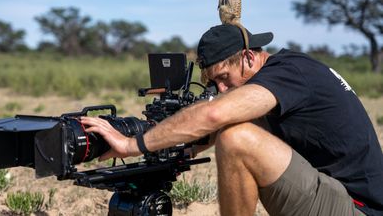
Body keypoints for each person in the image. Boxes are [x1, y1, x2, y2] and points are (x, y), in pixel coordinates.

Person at [80, 24, 383, 216]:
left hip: (356, 208)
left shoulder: (289, 72)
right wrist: (183, 147)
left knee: (235, 140)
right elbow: (235, 118)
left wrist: (132, 144)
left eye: (224, 78)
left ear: (250, 58)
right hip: (334, 195)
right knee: (233, 129)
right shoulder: (285, 74)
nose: (221, 90)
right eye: (214, 83)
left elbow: (215, 114)